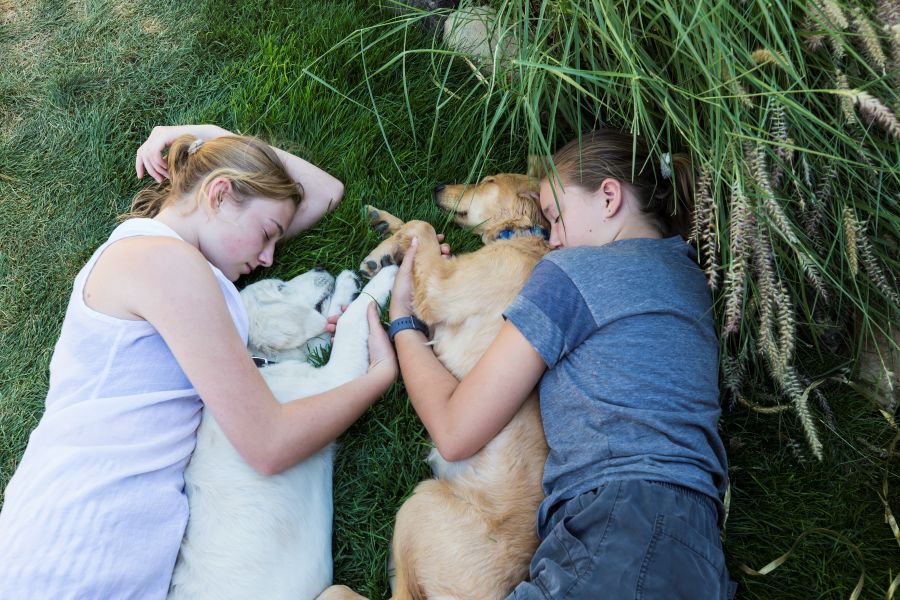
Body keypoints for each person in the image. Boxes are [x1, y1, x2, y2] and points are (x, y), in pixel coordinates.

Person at [0, 124, 398, 598]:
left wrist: (201, 137)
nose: (270, 258)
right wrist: (378, 377)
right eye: (268, 234)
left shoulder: (178, 263)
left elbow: (324, 192)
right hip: (76, 539)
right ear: (220, 194)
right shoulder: (162, 263)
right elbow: (269, 443)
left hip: (112, 546)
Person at [388, 129, 736, 599]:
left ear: (608, 197)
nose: (550, 239)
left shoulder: (571, 272)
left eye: (554, 216)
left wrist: (404, 321)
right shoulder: (692, 280)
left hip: (618, 530)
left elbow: (454, 430)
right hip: (694, 549)